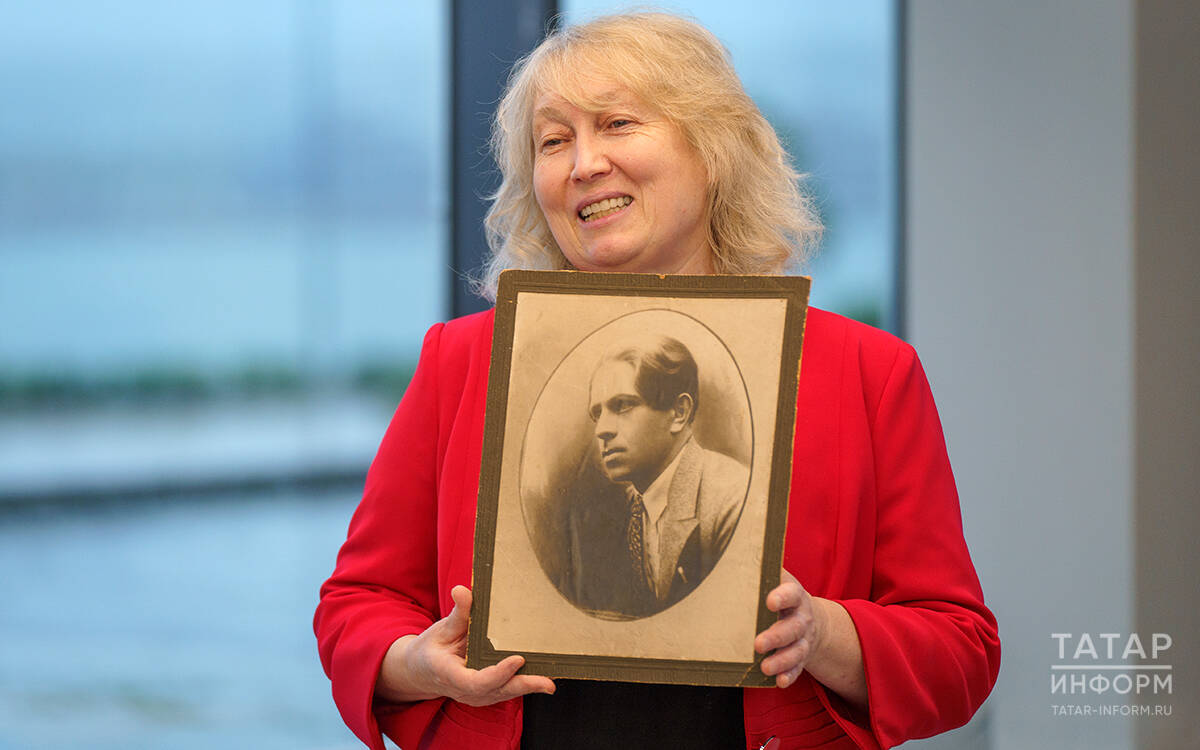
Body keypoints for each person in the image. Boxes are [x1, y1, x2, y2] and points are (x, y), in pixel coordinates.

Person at [315, 12, 1000, 750]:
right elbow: (357, 604)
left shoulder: (867, 371)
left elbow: (960, 651)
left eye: (617, 124)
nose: (583, 164)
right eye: (553, 141)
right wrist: (416, 663)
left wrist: (824, 634)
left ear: (713, 150)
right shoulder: (461, 360)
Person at [561, 334, 748, 618]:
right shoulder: (626, 507)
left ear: (679, 412)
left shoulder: (732, 500)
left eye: (622, 405)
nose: (602, 430)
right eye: (597, 413)